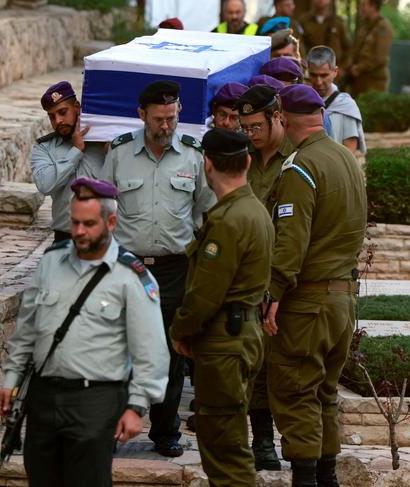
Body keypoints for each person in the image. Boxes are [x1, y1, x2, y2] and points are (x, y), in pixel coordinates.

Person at [0, 177, 169, 486]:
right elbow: (27, 331)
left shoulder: (131, 277)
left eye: (88, 224)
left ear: (111, 221)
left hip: (96, 400)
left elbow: (151, 350)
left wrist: (136, 406)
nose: (78, 231)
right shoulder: (50, 262)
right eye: (74, 223)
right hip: (44, 395)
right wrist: (10, 380)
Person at [101, 80, 215, 457]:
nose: (166, 127)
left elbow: (204, 209)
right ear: (142, 115)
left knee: (170, 351)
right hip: (127, 267)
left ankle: (165, 433)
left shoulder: (192, 154)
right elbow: (103, 207)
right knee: (119, 349)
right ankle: (113, 428)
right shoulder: (119, 153)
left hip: (174, 269)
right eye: (158, 120)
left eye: (172, 118)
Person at [264, 85, 366, 486]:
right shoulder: (345, 157)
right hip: (342, 300)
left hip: (308, 303)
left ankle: (307, 478)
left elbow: (291, 241)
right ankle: (327, 477)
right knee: (324, 393)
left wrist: (272, 292)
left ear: (283, 119)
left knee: (296, 391)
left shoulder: (300, 167)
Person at [169, 128, 274, 486]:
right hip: (242, 335)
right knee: (228, 443)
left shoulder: (228, 220)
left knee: (224, 450)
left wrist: (180, 330)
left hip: (224, 343)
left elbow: (204, 295)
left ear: (207, 163)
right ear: (246, 161)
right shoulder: (254, 210)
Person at [234, 85, 292, 471]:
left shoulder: (297, 157)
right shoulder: (244, 160)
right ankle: (263, 441)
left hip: (288, 277)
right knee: (254, 362)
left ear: (277, 116)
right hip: (249, 277)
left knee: (288, 362)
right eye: (246, 127)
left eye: (257, 126)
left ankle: (296, 439)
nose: (251, 134)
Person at [32, 81, 106, 242]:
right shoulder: (44, 148)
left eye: (62, 112)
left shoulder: (104, 142)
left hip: (103, 236)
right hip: (65, 236)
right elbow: (45, 184)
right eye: (52, 116)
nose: (58, 120)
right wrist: (76, 150)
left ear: (77, 107)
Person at [307, 46, 366, 154]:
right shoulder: (301, 101)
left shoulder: (346, 106)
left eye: (324, 75)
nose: (318, 82)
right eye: (313, 75)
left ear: (335, 72)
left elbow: (349, 151)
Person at [346, 0, 393, 98]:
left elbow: (380, 57)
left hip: (374, 82)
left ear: (373, 7)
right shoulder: (364, 26)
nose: (361, 9)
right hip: (358, 82)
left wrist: (360, 68)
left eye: (364, 5)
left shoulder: (383, 27)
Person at [298, 0, 351, 74]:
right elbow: (299, 44)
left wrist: (341, 69)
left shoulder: (338, 22)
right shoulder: (303, 21)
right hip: (311, 72)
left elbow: (348, 49)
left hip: (333, 72)